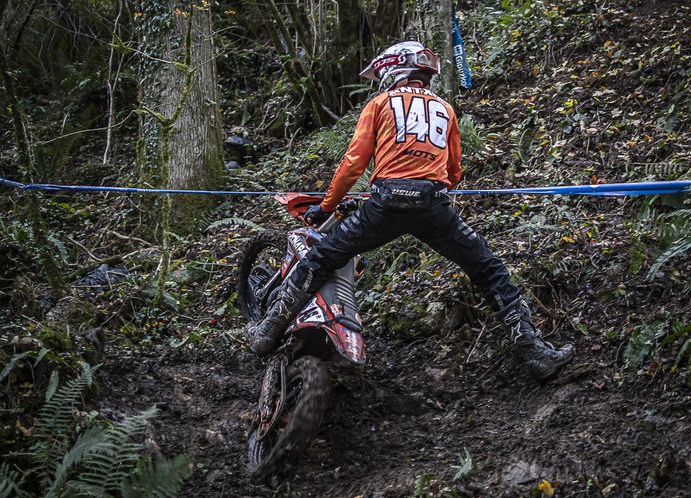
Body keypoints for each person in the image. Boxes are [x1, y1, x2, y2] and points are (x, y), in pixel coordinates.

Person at [246, 41, 574, 380]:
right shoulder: (445, 109)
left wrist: (326, 206)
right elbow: (454, 173)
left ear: (392, 70)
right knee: (489, 269)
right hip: (432, 205)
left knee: (320, 258)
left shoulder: (380, 103)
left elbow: (353, 163)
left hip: (385, 203)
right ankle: (535, 353)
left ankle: (267, 332)